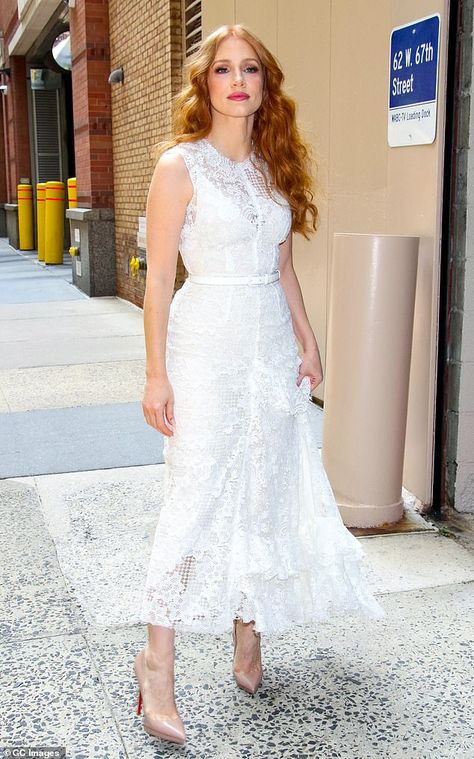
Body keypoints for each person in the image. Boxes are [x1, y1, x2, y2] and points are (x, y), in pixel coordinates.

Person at [135, 23, 386, 747]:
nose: (237, 80)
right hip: (206, 341)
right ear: (205, 84)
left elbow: (281, 269)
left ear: (265, 85)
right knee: (197, 494)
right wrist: (155, 373)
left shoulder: (272, 169)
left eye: (250, 69)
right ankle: (157, 666)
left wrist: (307, 337)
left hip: (268, 344)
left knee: (266, 485)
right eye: (223, 69)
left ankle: (250, 633)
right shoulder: (179, 167)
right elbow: (157, 287)